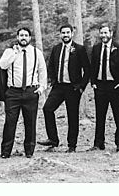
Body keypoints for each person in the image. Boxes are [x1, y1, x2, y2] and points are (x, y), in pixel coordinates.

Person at [39, 24, 91, 152]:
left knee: (72, 116)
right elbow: (51, 65)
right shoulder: (56, 49)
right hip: (58, 86)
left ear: (72, 34)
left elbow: (88, 69)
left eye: (68, 33)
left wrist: (81, 87)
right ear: (60, 34)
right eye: (63, 33)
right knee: (47, 109)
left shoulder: (79, 49)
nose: (66, 35)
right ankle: (53, 139)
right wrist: (52, 80)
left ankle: (72, 145)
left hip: (73, 88)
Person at [0, 27, 47, 158]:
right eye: (21, 35)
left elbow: (42, 71)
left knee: (30, 122)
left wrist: (41, 88)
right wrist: (14, 53)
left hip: (31, 91)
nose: (23, 38)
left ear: (30, 38)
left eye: (26, 35)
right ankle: (5, 152)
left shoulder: (37, 53)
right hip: (13, 92)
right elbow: (2, 65)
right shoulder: (9, 51)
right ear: (17, 37)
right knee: (10, 122)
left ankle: (29, 151)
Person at [88, 24, 119, 152]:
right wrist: (93, 82)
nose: (104, 36)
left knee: (118, 115)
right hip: (100, 86)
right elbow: (93, 65)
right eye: (101, 33)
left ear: (111, 33)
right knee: (100, 116)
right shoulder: (96, 48)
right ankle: (99, 143)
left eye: (106, 33)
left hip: (114, 85)